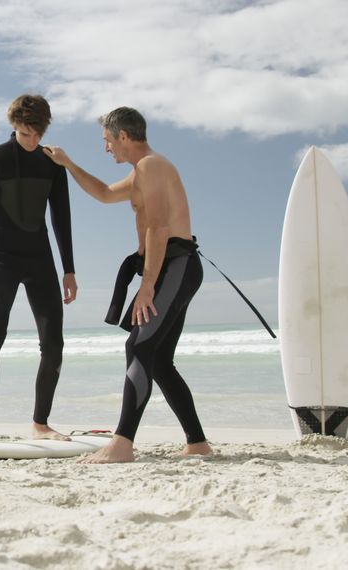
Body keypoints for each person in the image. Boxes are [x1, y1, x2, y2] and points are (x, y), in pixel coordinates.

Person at [43, 107, 211, 462]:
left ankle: (122, 443)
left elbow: (160, 227)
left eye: (107, 141)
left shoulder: (152, 165)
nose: (106, 149)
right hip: (171, 267)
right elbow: (103, 193)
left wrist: (148, 285)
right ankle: (197, 443)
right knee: (159, 360)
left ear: (123, 136)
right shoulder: (141, 173)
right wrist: (69, 165)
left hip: (174, 265)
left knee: (138, 347)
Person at [0, 94, 78, 443]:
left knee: (54, 342)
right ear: (14, 126)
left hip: (40, 259)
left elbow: (62, 218)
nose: (32, 141)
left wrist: (68, 269)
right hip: (3, 260)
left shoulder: (52, 163)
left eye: (37, 134)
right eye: (26, 134)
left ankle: (40, 423)